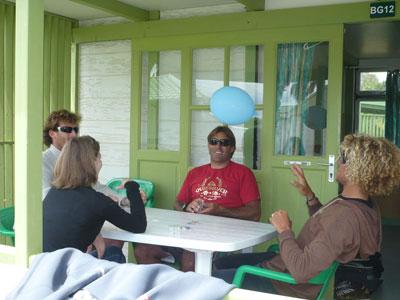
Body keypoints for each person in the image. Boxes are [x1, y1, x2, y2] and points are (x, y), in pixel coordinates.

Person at [214, 134, 400, 299]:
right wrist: (309, 195)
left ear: (358, 169)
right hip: (284, 263)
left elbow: (301, 271)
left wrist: (284, 230)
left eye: (343, 159)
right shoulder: (364, 205)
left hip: (283, 284)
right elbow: (328, 227)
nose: (337, 162)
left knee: (211, 275)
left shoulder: (344, 216)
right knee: (221, 262)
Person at [134, 125, 261, 271]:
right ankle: (166, 287)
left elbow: (255, 213)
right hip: (188, 231)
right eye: (214, 141)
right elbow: (177, 204)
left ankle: (187, 290)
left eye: (224, 143)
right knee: (142, 251)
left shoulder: (243, 173)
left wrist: (220, 210)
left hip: (221, 236)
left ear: (232, 148)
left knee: (190, 261)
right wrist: (186, 207)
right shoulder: (195, 173)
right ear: (208, 145)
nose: (218, 146)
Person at [43, 136, 147, 263]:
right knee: (115, 253)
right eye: (99, 157)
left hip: (46, 268)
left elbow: (70, 223)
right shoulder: (97, 201)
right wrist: (132, 186)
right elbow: (138, 225)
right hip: (72, 273)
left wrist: (95, 234)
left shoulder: (53, 193)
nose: (101, 162)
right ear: (93, 162)